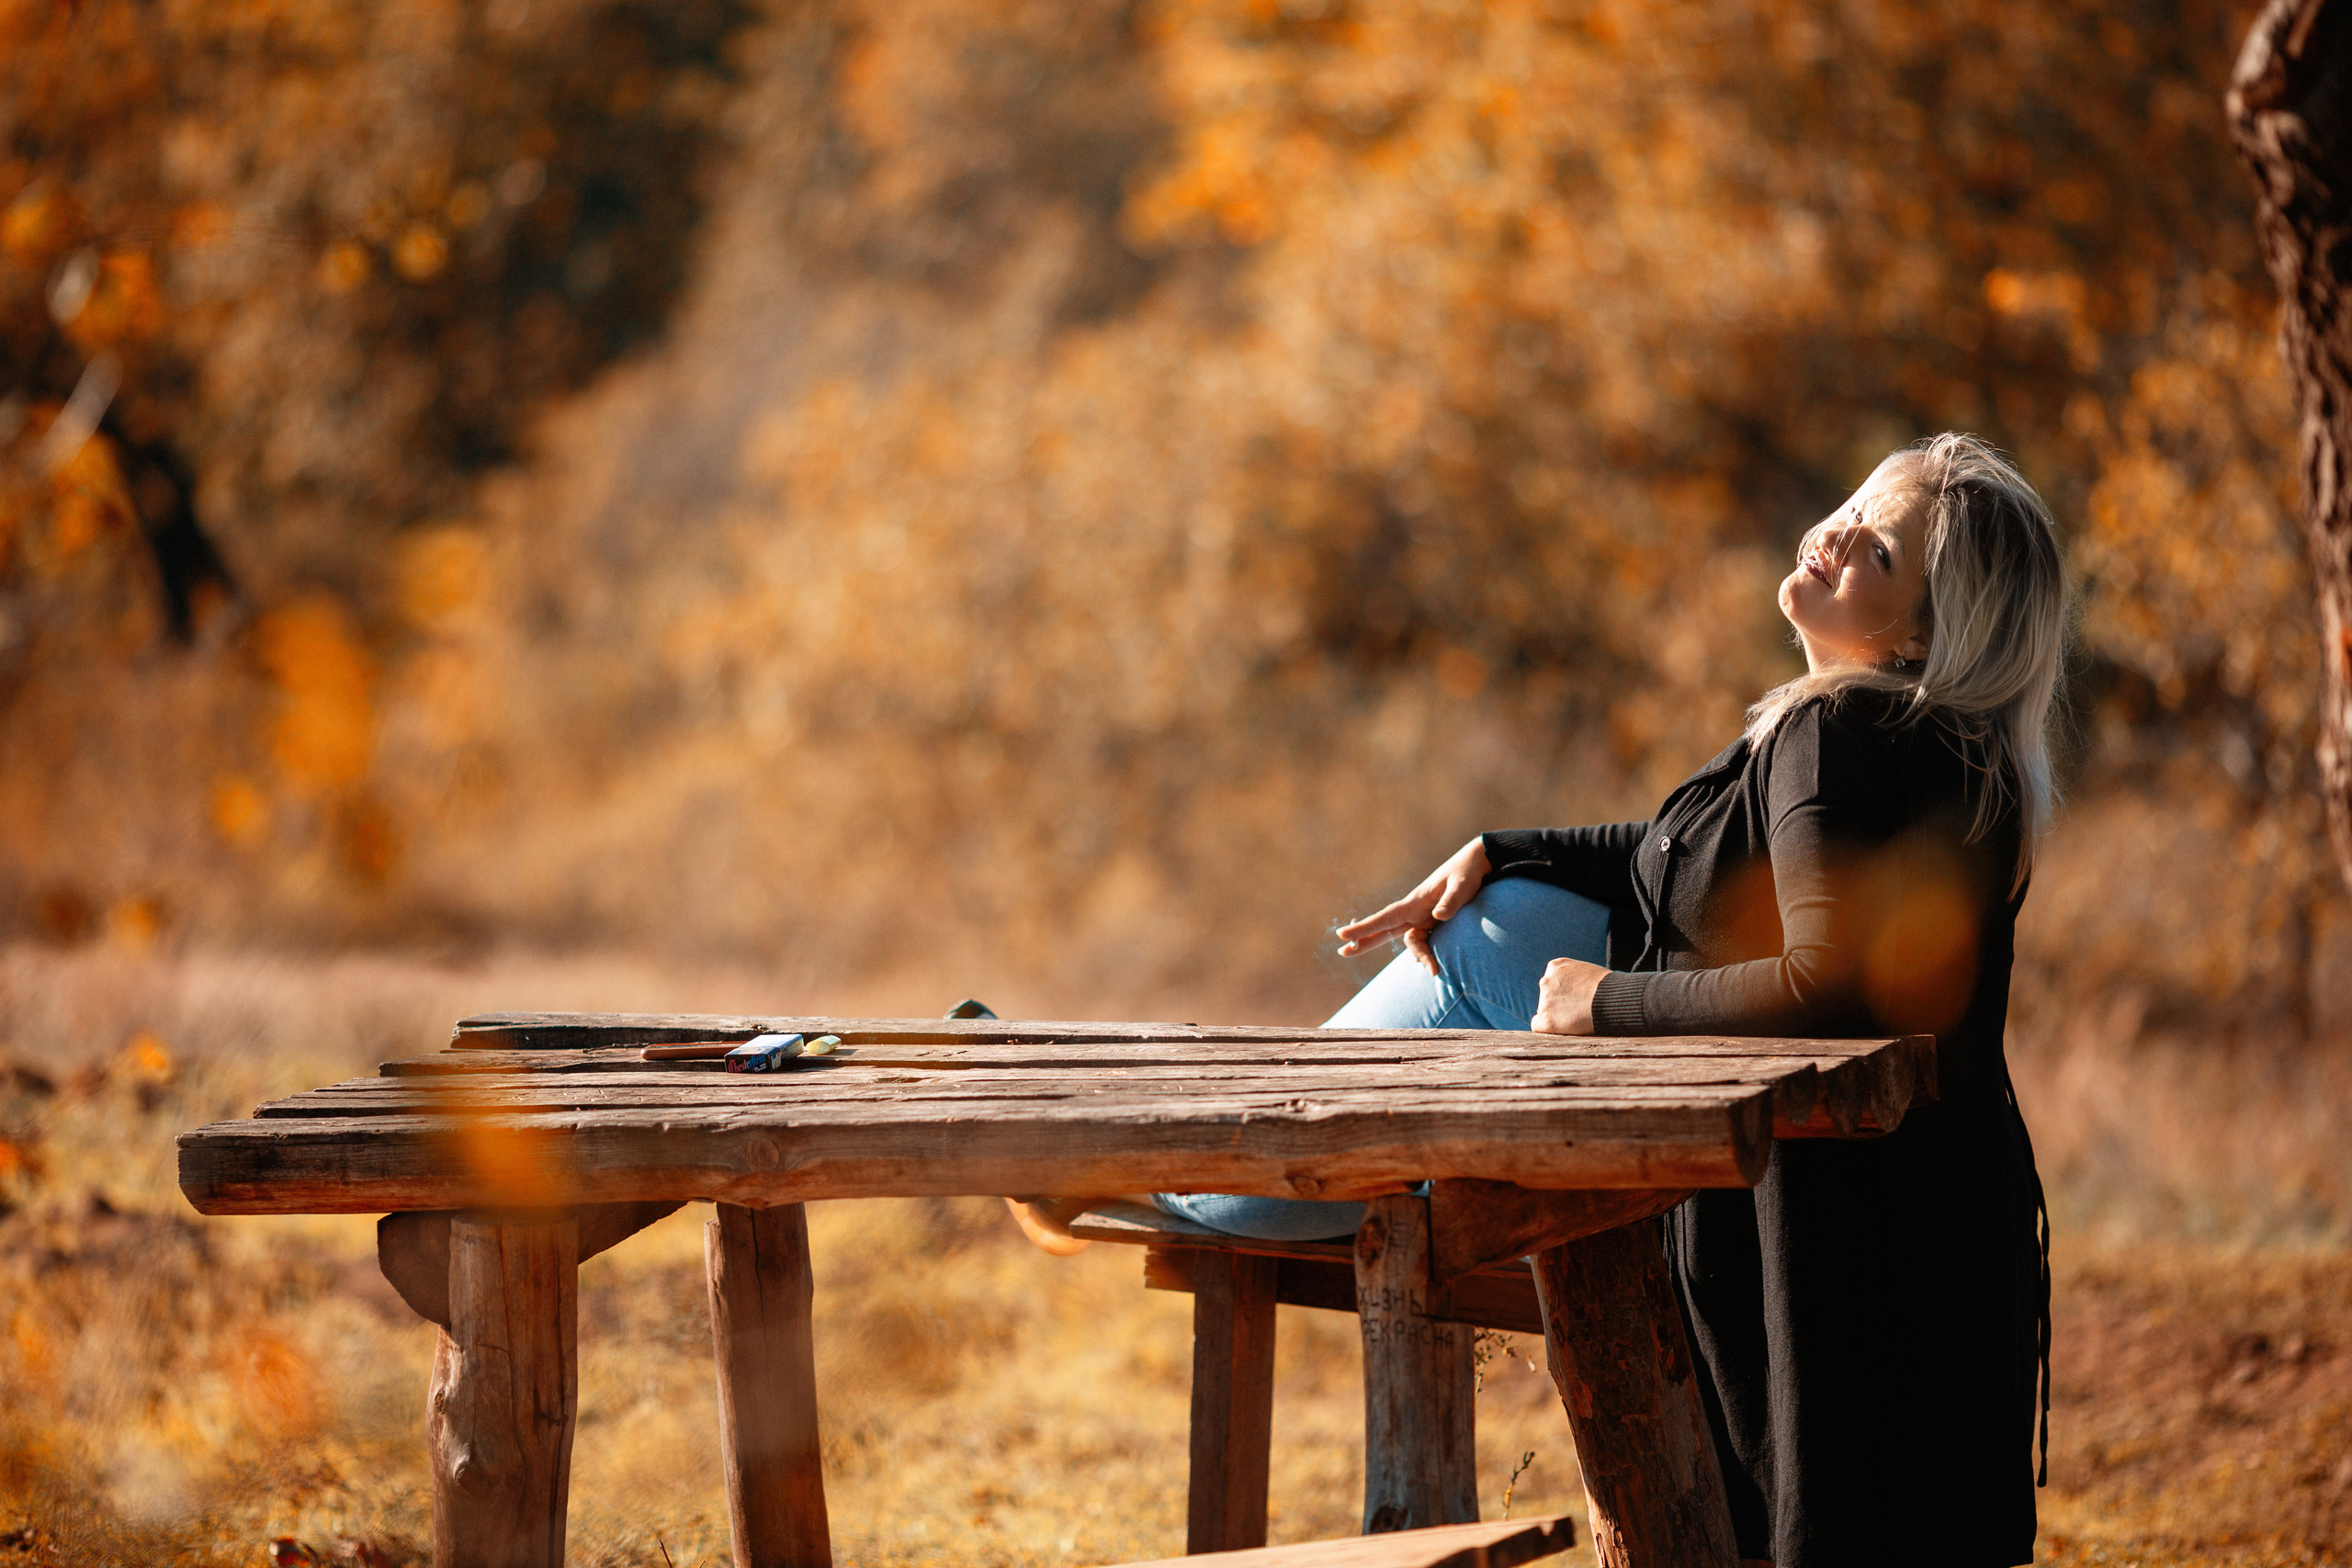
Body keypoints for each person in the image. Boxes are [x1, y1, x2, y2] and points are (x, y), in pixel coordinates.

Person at [1157, 432, 2064, 1568]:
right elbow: (1700, 861)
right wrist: (1505, 845)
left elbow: (1828, 983)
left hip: (1811, 1218)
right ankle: (1188, 1170)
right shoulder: (1953, 754)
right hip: (1933, 1222)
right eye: (1851, 506)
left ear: (1923, 627)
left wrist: (1608, 1004)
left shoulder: (1829, 735)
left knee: (1357, 1095)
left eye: (1877, 547)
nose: (1834, 533)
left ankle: (1171, 1170)